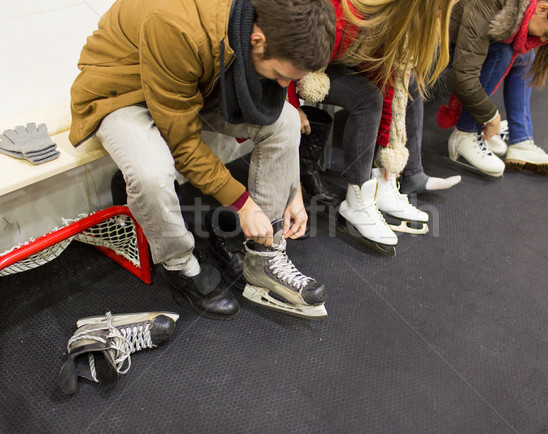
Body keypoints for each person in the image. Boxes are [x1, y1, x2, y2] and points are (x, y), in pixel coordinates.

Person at [68, 0, 336, 320]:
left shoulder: (259, 21)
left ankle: (263, 259)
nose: (281, 85)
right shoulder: (175, 24)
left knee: (287, 121)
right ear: (258, 39)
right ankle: (181, 266)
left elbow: (265, 100)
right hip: (122, 90)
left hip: (192, 84)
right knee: (151, 175)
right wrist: (243, 204)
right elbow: (182, 143)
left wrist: (292, 190)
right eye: (280, 75)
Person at [289, 0, 458, 252]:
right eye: (438, 13)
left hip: (337, 55)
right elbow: (291, 53)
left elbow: (388, 83)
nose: (438, 20)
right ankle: (356, 198)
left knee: (395, 88)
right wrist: (292, 105)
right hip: (304, 62)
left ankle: (378, 184)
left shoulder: (393, 27)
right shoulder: (347, 14)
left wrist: (384, 156)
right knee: (367, 99)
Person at [438, 0, 548, 177]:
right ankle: (465, 133)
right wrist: (491, 116)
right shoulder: (491, 3)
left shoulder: (523, 10)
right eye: (545, 34)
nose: (543, 40)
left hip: (456, 41)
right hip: (431, 45)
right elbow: (464, 77)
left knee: (525, 56)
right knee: (503, 52)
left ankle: (521, 140)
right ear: (542, 9)